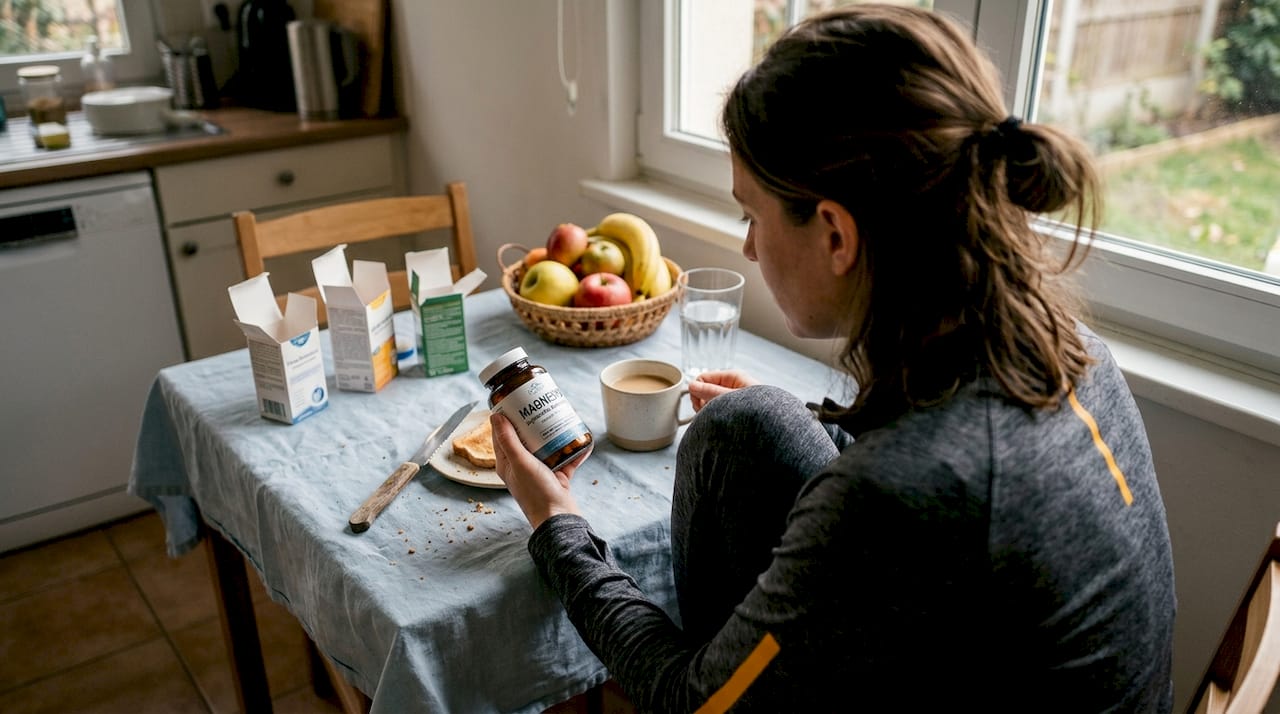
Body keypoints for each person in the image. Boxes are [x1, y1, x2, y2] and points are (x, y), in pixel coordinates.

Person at [490, 4, 1176, 712]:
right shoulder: (1071, 354)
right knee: (751, 421)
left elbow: (691, 701)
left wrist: (557, 525)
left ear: (836, 234)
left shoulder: (898, 495)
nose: (750, 248)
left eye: (751, 215)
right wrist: (821, 423)